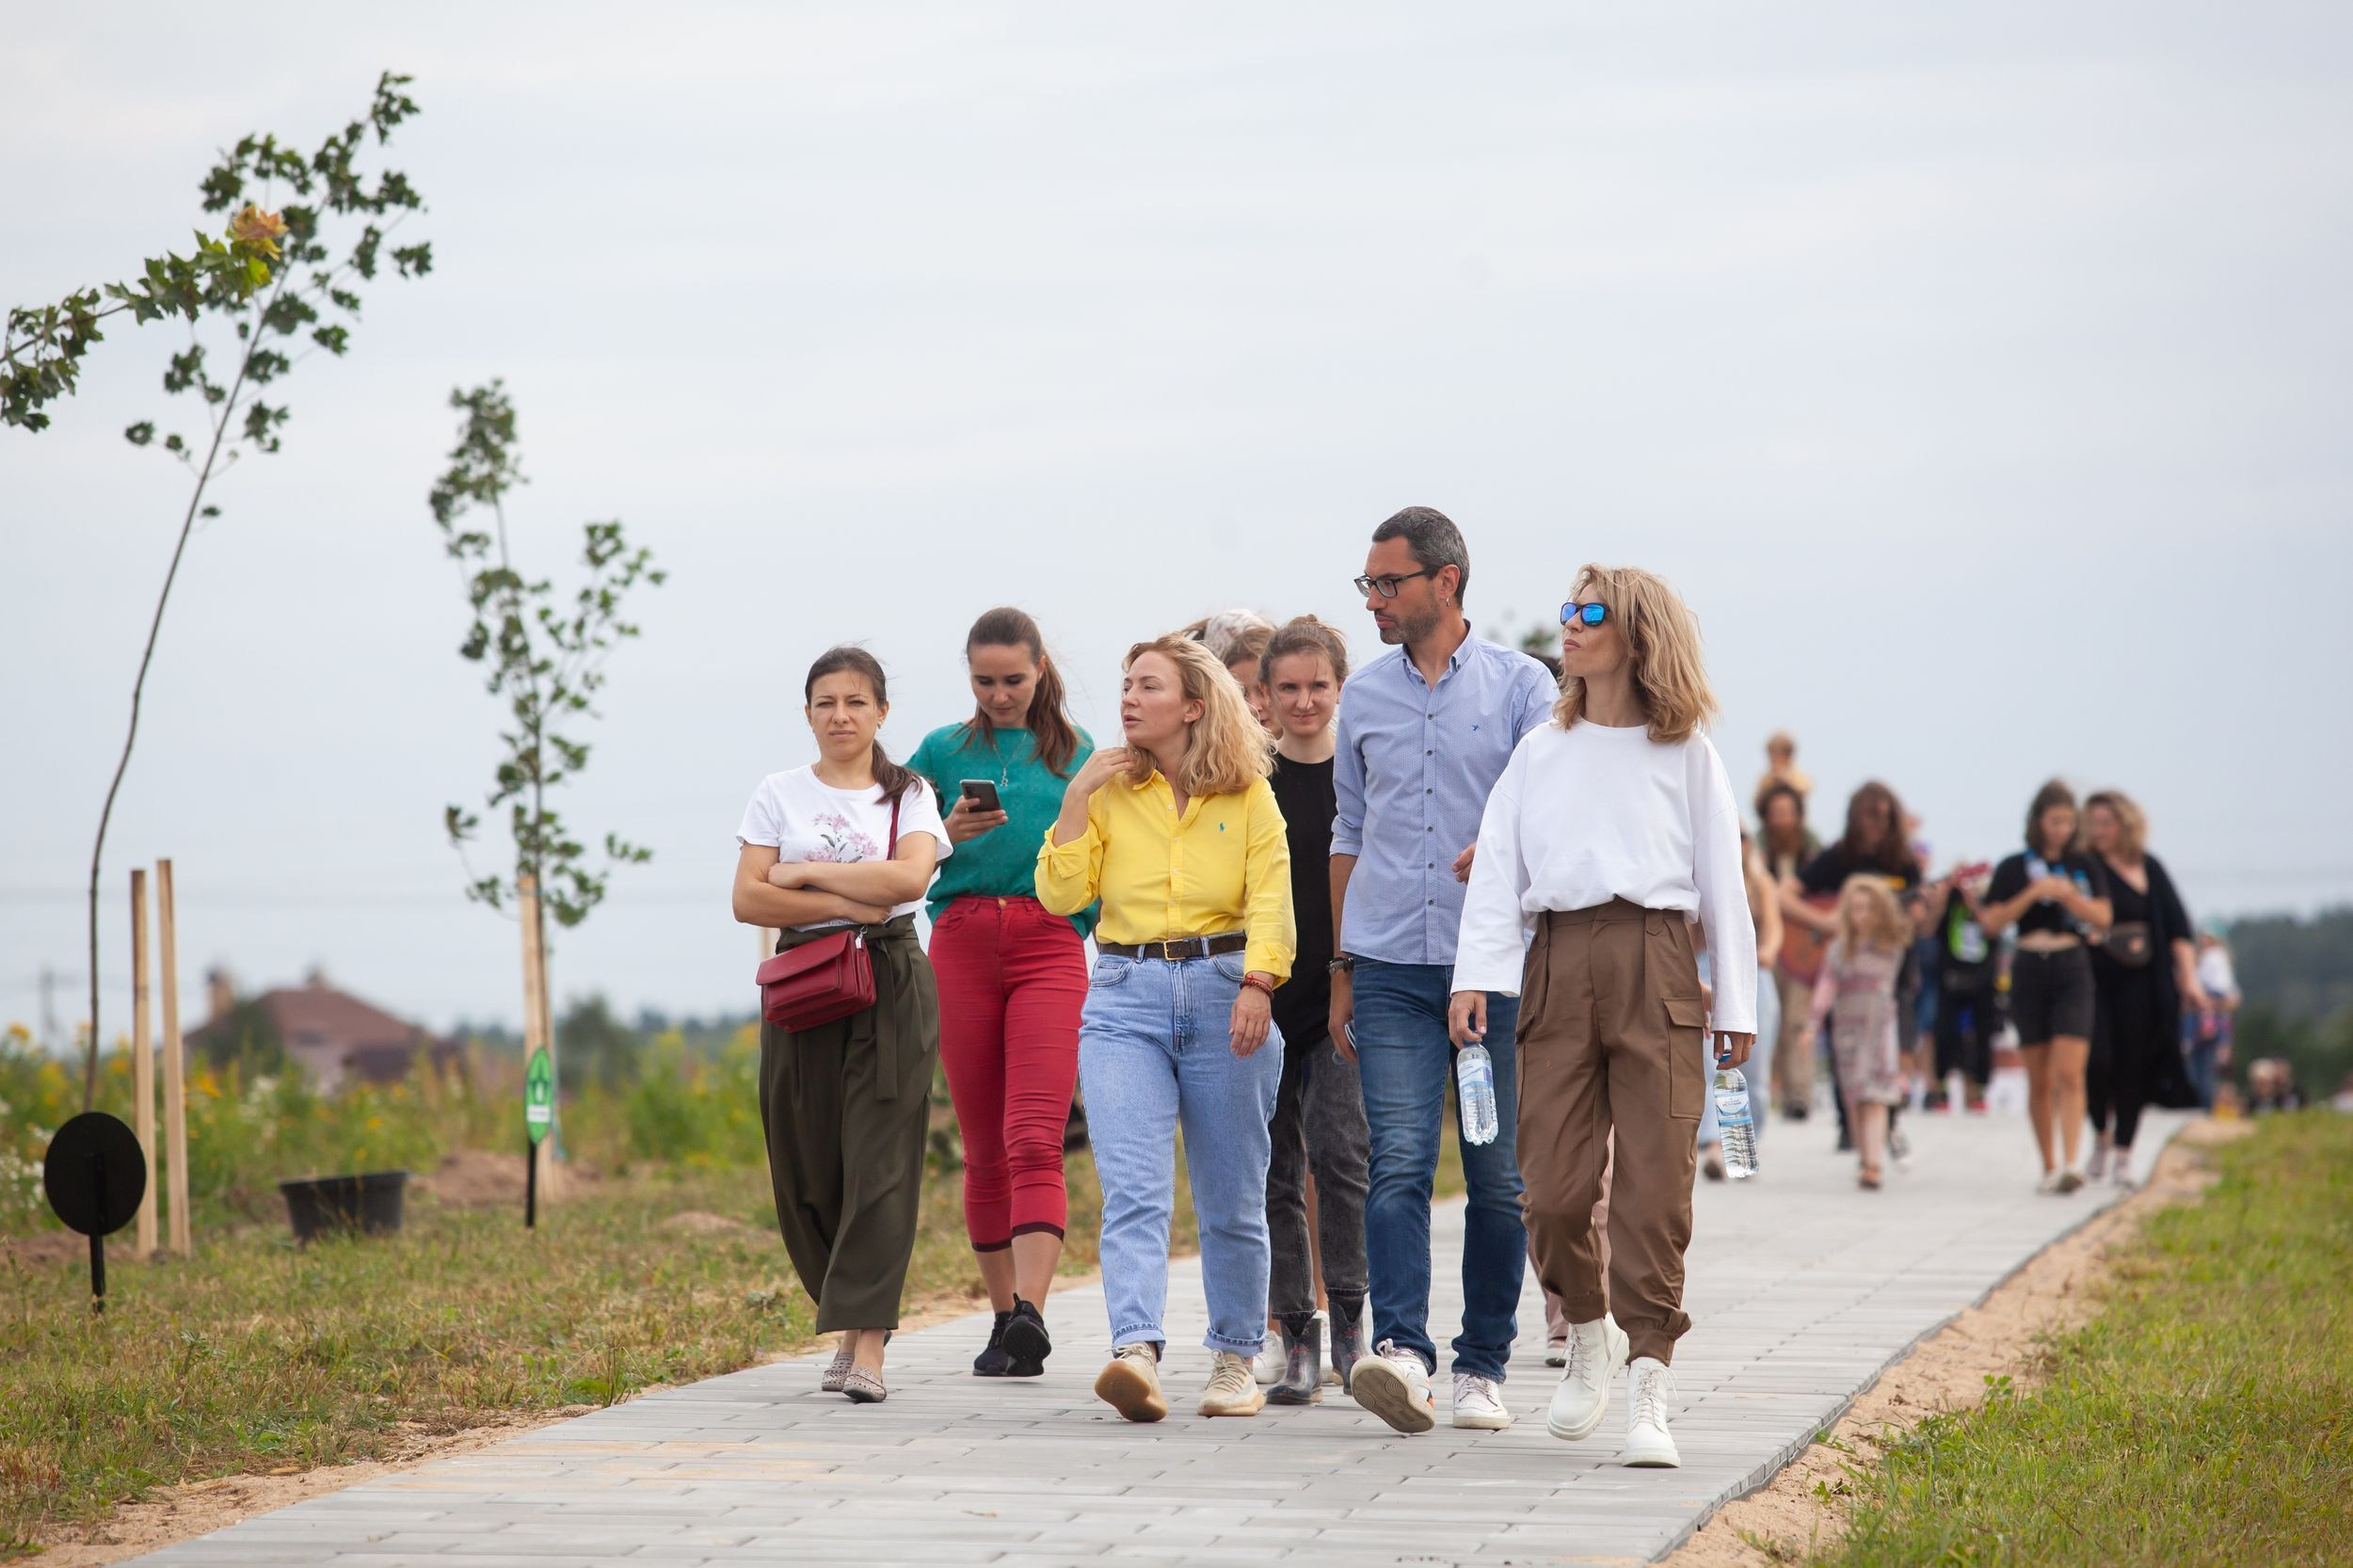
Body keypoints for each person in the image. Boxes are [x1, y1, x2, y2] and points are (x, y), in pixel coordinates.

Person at [1453, 563, 1757, 1470]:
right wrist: (1476, 977)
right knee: (1548, 1191)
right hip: (1555, 963)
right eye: (1568, 611)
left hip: (1658, 962)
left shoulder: (1687, 753)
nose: (1571, 625)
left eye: (1590, 613)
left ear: (1637, 635)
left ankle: (1651, 1383)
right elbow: (1498, 868)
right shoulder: (1540, 750)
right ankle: (1589, 1331)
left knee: (1654, 1192)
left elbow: (1724, 882)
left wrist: (1737, 1001)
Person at [1329, 506, 1556, 1436]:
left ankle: (1482, 1366)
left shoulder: (1523, 686)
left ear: (1446, 581)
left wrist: (1500, 848)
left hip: (1490, 974)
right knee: (1397, 1161)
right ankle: (1402, 1353)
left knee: (1496, 1175)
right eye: (1368, 585)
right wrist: (1341, 968)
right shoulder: (1362, 697)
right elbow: (1348, 830)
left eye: (1388, 583)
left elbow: (1551, 808)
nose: (1373, 601)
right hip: (1386, 964)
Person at [1036, 635, 1294, 1423]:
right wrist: (1076, 797)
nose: (1128, 697)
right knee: (1133, 1191)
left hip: (1226, 991)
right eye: (1126, 684)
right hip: (1123, 997)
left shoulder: (1249, 794)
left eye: (1148, 685)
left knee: (1232, 1196)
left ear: (1192, 706)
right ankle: (1136, 1353)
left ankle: (1234, 1360)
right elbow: (1060, 896)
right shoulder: (1109, 790)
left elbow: (1272, 898)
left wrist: (1259, 982)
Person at [731, 647, 951, 1404]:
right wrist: (848, 901)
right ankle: (848, 1314)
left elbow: (910, 879)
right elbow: (748, 899)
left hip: (889, 978)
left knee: (880, 1159)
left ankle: (869, 1344)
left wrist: (801, 873)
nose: (841, 715)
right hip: (805, 982)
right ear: (807, 713)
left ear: (882, 712)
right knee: (807, 1160)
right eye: (826, 702)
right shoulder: (777, 793)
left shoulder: (909, 794)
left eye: (857, 702)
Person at [905, 608, 1094, 1379]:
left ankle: (1031, 1314)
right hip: (961, 941)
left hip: (1049, 943)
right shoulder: (939, 752)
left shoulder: (1082, 756)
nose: (999, 694)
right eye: (984, 681)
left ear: (1041, 668)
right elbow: (899, 849)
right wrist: (947, 834)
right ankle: (999, 1317)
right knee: (983, 1148)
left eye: (1013, 678)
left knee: (1035, 1136)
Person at [1254, 616, 1371, 1401]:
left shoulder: (1361, 776)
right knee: (1274, 1169)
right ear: (1264, 695)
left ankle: (1353, 1329)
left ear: (1340, 687)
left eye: (1317, 686)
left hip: (1344, 992)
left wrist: (1354, 976)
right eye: (1288, 688)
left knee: (1342, 1157)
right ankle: (1297, 1333)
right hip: (1266, 991)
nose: (1304, 701)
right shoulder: (1249, 781)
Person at [1783, 782, 1933, 1154]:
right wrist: (1824, 921)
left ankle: (1888, 1117)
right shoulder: (1837, 858)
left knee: (1895, 1041)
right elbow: (1783, 894)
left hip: (1891, 971)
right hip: (1846, 969)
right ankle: (1848, 1123)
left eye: (1884, 817)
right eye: (1870, 816)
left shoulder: (1904, 863)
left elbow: (1920, 919)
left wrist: (1922, 911)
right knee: (1845, 1046)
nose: (1876, 824)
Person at [1979, 780, 2113, 1193]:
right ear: (2038, 821)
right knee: (2039, 1077)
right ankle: (2049, 1165)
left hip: (2071, 966)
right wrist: (2033, 893)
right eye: (2055, 821)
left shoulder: (2084, 865)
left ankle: (2072, 1161)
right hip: (2028, 966)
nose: (2062, 829)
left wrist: (2070, 898)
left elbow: (2104, 917)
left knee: (2070, 1071)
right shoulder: (2013, 867)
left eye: (2069, 821)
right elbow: (1991, 922)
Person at [2082, 790, 2208, 1189]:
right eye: (2093, 823)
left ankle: (2123, 1152)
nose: (2100, 831)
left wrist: (2188, 978)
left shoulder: (2149, 867)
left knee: (2133, 1064)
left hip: (2142, 981)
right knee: (2097, 1060)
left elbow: (2178, 929)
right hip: (2094, 978)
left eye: (2107, 823)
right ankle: (2100, 1131)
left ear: (2126, 825)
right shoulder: (2083, 868)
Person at [1806, 876, 1911, 1190]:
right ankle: (1865, 1158)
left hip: (1879, 1023)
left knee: (1875, 1093)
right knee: (1854, 1094)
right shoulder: (1839, 949)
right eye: (1855, 908)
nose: (1861, 915)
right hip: (1847, 1024)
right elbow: (1827, 985)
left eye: (1868, 908)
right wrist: (1813, 1023)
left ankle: (1874, 1164)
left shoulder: (1891, 945)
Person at [1696, 834, 1782, 1179]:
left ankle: (1744, 1147)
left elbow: (1774, 929)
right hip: (1706, 970)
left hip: (1753, 972)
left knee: (1753, 1068)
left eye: (1742, 837)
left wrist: (1766, 955)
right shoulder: (1697, 875)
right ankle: (1716, 1145)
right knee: (1711, 1064)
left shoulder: (1761, 882)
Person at [1756, 781, 1821, 1119]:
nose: (1782, 819)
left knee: (1798, 1020)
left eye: (1787, 812)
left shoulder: (1813, 851)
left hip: (1802, 948)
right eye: (1776, 812)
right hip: (1766, 945)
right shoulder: (1755, 852)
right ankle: (1777, 1090)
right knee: (1772, 1020)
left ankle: (1799, 1095)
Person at [1928, 863, 2000, 1112]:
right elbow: (1928, 929)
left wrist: (1974, 903)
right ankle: (1941, 1088)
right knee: (1944, 1034)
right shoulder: (1949, 906)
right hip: (1951, 978)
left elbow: (1993, 929)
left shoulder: (1991, 901)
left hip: (1983, 980)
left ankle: (1978, 1089)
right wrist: (1943, 895)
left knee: (1983, 1036)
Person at [2188, 928, 2241, 1110]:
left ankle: (2205, 1108)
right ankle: (2204, 1106)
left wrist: (2206, 1003)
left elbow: (2229, 997)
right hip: (2206, 1022)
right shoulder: (2213, 959)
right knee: (2203, 1068)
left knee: (2204, 1070)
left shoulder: (2214, 957)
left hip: (2207, 1023)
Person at [1754, 729, 1814, 808]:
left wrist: (1786, 781)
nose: (1774, 760)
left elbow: (1806, 788)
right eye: (1772, 756)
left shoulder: (1796, 776)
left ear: (1788, 756)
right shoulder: (1767, 778)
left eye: (1778, 755)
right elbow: (1756, 800)